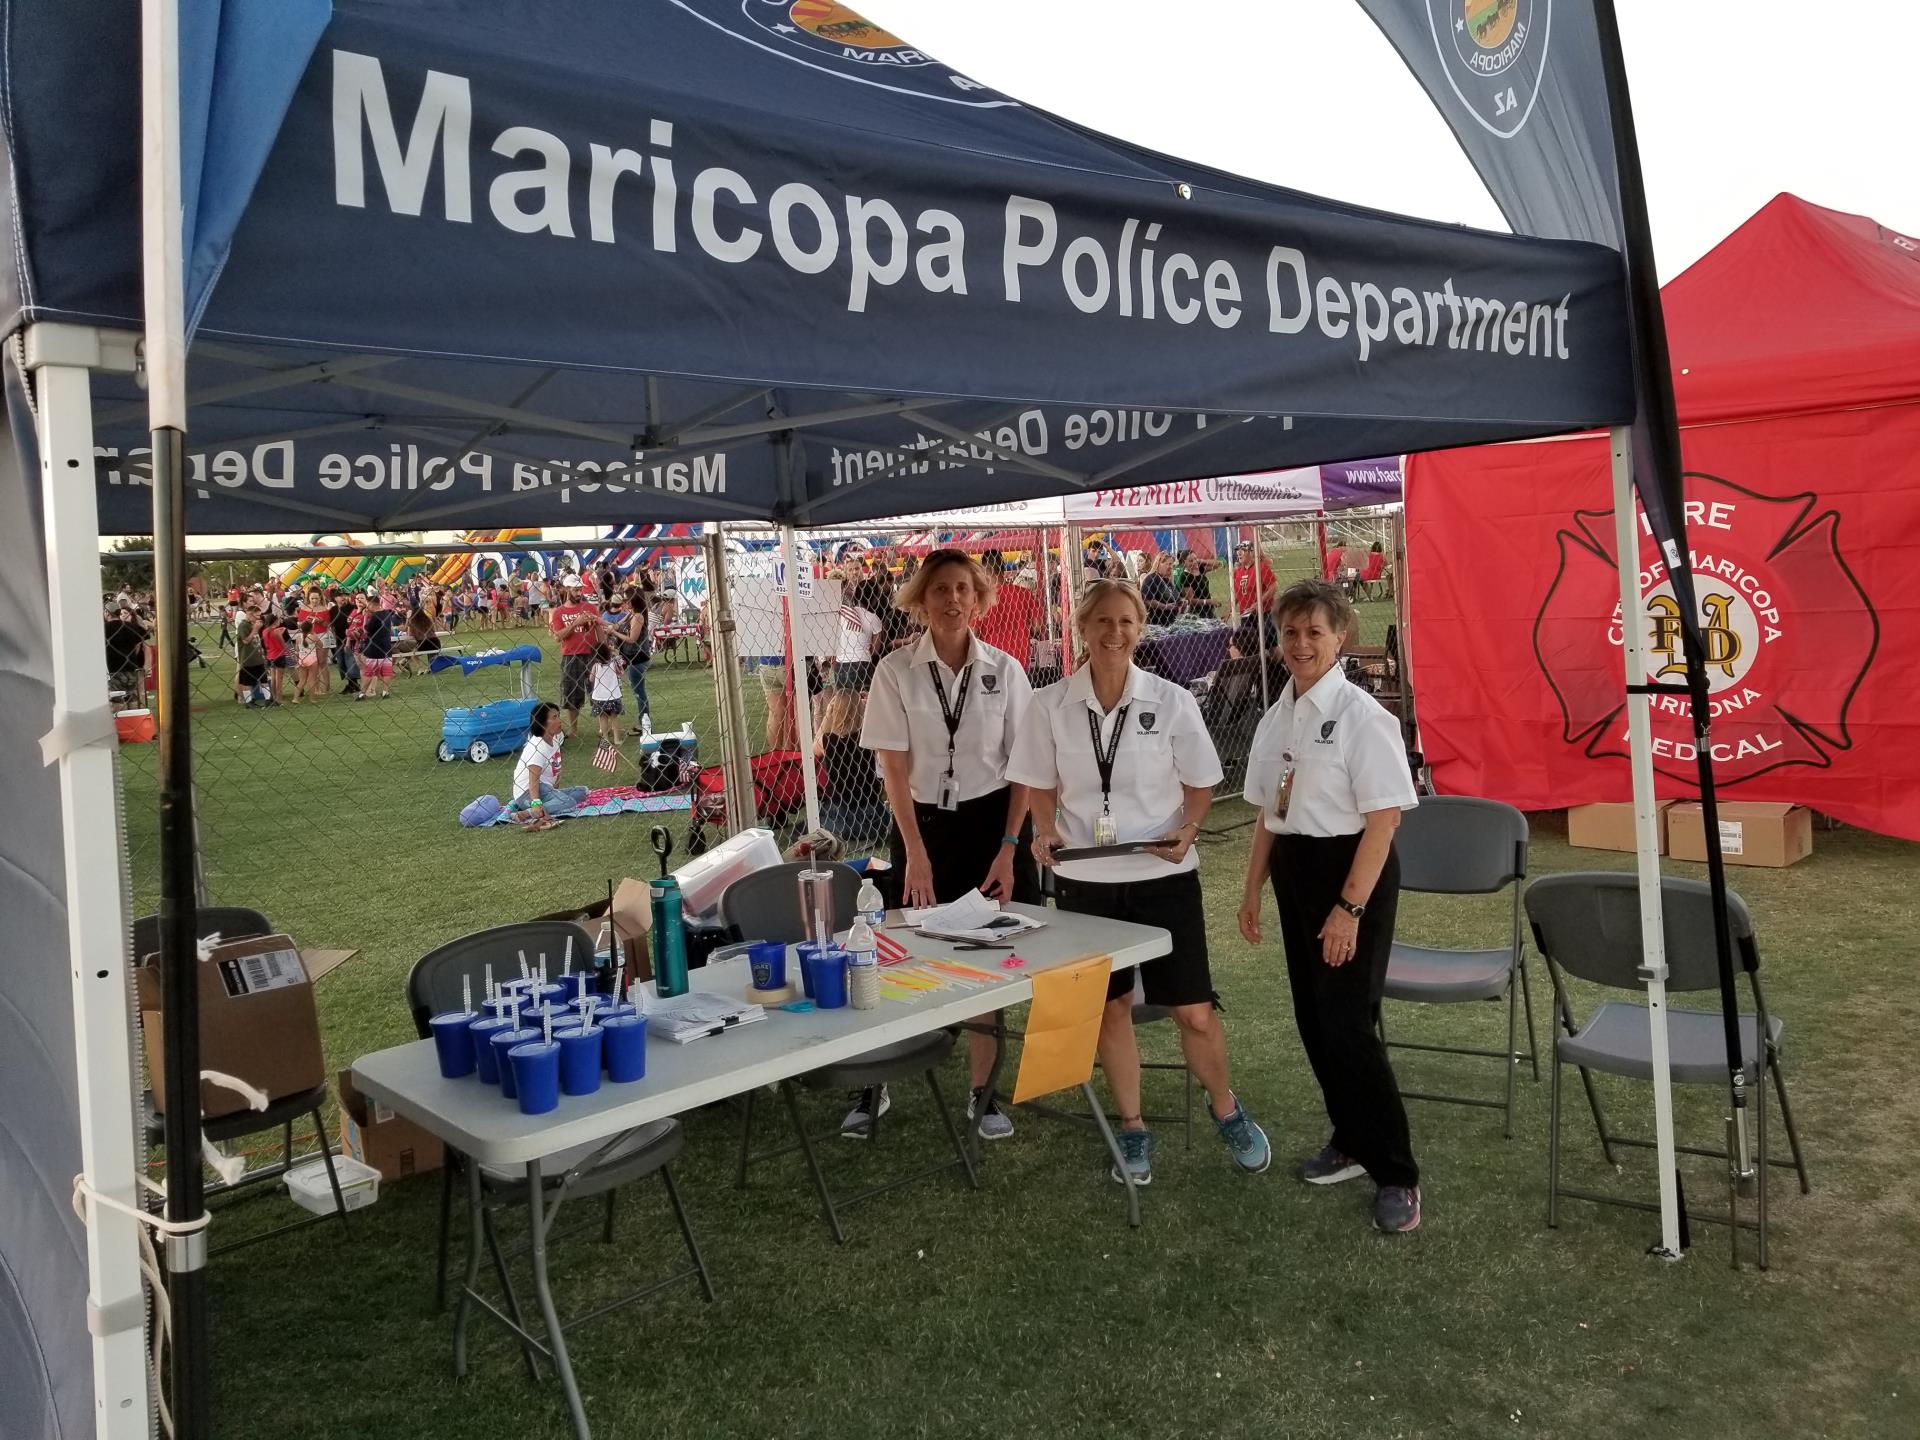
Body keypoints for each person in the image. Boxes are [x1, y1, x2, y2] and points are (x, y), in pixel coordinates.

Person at [1009, 578, 1271, 1185]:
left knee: (1195, 1011)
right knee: (1112, 1007)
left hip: (1163, 875)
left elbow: (1201, 785)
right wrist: (1043, 829)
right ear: (1081, 628)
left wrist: (1189, 829)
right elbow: (1039, 784)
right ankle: (1132, 1127)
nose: (1114, 632)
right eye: (1102, 620)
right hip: (1086, 879)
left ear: (1141, 627)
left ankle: (1226, 1108)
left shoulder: (1172, 700)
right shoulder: (1049, 704)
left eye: (1126, 621)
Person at [1237, 578, 1422, 1234]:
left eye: (1315, 631)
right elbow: (1268, 810)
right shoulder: (1276, 713)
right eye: (1290, 632)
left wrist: (1348, 911)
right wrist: (1253, 887)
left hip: (1353, 873)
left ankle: (1396, 1171)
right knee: (1315, 1021)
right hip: (1296, 870)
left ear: (1341, 637)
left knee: (1347, 1024)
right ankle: (1350, 1138)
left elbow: (1385, 821)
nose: (1301, 644)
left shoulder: (1362, 717)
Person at [860, 547, 1038, 1143]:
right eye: (940, 589)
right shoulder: (896, 670)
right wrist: (914, 850)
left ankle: (982, 1094)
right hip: (923, 827)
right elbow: (893, 765)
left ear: (980, 598)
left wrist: (1010, 846)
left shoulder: (1006, 670)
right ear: (920, 599)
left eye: (964, 588)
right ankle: (872, 1079)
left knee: (992, 958)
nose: (953, 599)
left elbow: (1024, 768)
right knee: (906, 950)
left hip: (992, 827)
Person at [816, 688, 887, 844]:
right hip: (870, 812)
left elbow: (813, 749)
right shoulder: (868, 738)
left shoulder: (827, 740)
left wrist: (828, 715)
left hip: (837, 813)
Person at [504, 701, 589, 830]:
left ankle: (544, 805)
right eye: (554, 717)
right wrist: (536, 803)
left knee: (582, 792)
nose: (560, 720)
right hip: (528, 791)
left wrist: (555, 792)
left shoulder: (556, 738)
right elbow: (533, 779)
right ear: (542, 723)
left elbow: (556, 768)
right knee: (568, 802)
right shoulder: (537, 747)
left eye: (558, 716)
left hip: (545, 788)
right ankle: (529, 812)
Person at [550, 573, 602, 736]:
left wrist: (605, 649)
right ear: (566, 589)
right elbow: (558, 636)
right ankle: (574, 730)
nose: (579, 593)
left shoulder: (590, 608)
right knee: (572, 694)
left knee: (599, 692)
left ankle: (603, 727)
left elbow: (600, 630)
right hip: (571, 656)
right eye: (575, 590)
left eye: (580, 589)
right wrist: (575, 623)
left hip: (592, 654)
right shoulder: (559, 612)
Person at [607, 586, 653, 729]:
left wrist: (614, 633)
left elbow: (632, 639)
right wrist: (610, 627)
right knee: (638, 690)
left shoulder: (638, 616)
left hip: (638, 658)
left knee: (639, 691)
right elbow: (616, 625)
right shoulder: (630, 614)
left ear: (633, 600)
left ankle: (643, 722)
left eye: (626, 599)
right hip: (631, 657)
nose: (624, 603)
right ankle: (643, 720)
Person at [834, 577, 884, 693]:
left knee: (844, 704)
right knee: (862, 703)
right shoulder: (873, 618)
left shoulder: (843, 614)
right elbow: (876, 649)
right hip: (862, 663)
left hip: (841, 663)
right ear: (875, 598)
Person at [587, 641, 625, 749]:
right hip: (613, 696)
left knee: (603, 717)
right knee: (614, 718)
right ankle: (617, 739)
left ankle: (606, 739)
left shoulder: (596, 666)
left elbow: (591, 679)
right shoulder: (614, 663)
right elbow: (621, 673)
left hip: (600, 696)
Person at [359, 594, 395, 699]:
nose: (367, 607)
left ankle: (362, 693)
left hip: (374, 647)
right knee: (386, 671)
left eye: (367, 604)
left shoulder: (375, 616)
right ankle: (385, 692)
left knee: (369, 672)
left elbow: (366, 630)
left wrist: (365, 617)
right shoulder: (387, 614)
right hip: (386, 646)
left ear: (370, 604)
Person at [1231, 539, 1277, 616]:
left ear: (1251, 553)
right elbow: (1237, 594)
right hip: (1246, 614)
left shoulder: (1261, 567)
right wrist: (1228, 611)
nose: (1239, 553)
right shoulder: (1237, 572)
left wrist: (1258, 604)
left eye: (1243, 551)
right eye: (1238, 551)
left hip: (1265, 613)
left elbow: (1273, 587)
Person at [1141, 552, 1180, 625]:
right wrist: (1165, 607)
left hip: (1170, 622)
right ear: (1159, 564)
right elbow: (1147, 600)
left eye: (1171, 564)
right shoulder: (1152, 578)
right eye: (1167, 564)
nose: (1170, 567)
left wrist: (1182, 603)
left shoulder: (1168, 581)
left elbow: (1176, 599)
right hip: (1156, 623)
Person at [1177, 549, 1216, 618]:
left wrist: (1201, 561)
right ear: (1184, 562)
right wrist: (1208, 601)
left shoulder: (1199, 569)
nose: (1194, 562)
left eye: (1195, 559)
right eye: (1191, 561)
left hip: (1208, 609)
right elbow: (1191, 600)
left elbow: (1217, 564)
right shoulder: (1185, 576)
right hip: (1198, 612)